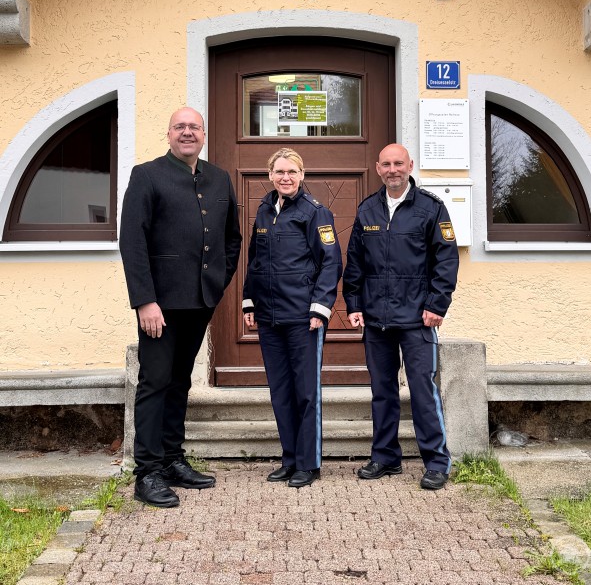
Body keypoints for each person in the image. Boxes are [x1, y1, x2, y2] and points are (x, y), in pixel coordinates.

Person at [120, 107, 241, 508]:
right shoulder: (147, 175)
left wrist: (218, 285)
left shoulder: (219, 178)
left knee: (180, 382)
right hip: (159, 305)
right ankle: (148, 472)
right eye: (180, 127)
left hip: (200, 301)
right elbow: (133, 243)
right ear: (169, 133)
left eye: (194, 127)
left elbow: (231, 239)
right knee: (154, 383)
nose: (187, 133)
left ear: (203, 134)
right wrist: (145, 301)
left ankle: (172, 459)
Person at [343, 144, 459, 490]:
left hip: (418, 319)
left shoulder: (431, 208)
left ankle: (437, 462)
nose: (393, 170)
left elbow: (447, 260)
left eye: (398, 163)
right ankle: (385, 456)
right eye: (386, 164)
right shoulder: (367, 210)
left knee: (423, 390)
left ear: (410, 165)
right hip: (376, 318)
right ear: (378, 169)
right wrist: (353, 305)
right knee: (382, 390)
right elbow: (355, 265)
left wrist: (437, 305)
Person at [242, 148, 342, 488]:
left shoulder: (316, 212)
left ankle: (308, 463)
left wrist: (320, 307)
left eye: (292, 172)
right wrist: (248, 301)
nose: (286, 177)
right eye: (279, 171)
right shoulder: (264, 211)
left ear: (302, 175)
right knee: (280, 391)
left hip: (304, 319)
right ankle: (289, 459)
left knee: (306, 392)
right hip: (269, 318)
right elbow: (254, 260)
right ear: (270, 175)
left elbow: (331, 263)